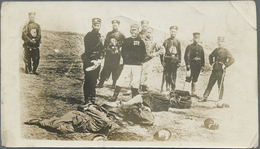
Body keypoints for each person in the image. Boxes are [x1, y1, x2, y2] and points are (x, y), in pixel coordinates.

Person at [110, 24, 146, 102]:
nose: (134, 31)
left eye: (135, 30)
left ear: (138, 31)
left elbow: (144, 53)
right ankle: (115, 96)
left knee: (135, 81)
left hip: (137, 65)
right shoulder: (126, 40)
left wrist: (140, 60)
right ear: (130, 30)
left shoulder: (141, 42)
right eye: (132, 29)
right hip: (127, 64)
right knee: (121, 78)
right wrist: (126, 60)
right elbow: (123, 51)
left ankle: (133, 98)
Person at [27, 104, 112, 135]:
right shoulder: (102, 118)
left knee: (64, 129)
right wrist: (90, 107)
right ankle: (39, 121)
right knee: (54, 124)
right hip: (76, 117)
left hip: (78, 124)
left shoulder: (103, 125)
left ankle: (45, 121)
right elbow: (86, 108)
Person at [199, 36, 235, 102]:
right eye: (219, 41)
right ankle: (205, 97)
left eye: (222, 42)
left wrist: (225, 65)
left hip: (221, 71)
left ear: (224, 42)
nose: (220, 43)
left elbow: (232, 59)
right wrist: (212, 63)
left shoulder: (226, 51)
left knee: (220, 85)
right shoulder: (216, 50)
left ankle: (220, 99)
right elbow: (210, 56)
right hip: (215, 69)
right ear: (217, 42)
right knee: (210, 83)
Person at [81, 18, 104, 104]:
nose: (96, 27)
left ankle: (92, 97)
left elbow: (101, 48)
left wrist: (101, 57)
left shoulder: (99, 35)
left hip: (97, 61)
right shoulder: (89, 35)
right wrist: (93, 60)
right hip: (89, 60)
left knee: (94, 80)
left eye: (98, 25)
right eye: (95, 25)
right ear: (92, 25)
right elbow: (88, 49)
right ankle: (86, 98)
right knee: (88, 79)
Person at [97, 20, 126, 89]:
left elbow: (125, 43)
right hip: (109, 54)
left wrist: (120, 48)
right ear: (112, 26)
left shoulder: (121, 34)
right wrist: (104, 51)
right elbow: (106, 43)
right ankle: (101, 82)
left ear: (118, 26)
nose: (114, 26)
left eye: (116, 25)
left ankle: (114, 84)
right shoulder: (109, 33)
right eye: (113, 25)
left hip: (116, 54)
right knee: (105, 67)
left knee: (115, 68)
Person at [140, 27, 165, 91]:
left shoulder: (155, 42)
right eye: (147, 32)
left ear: (152, 33)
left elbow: (162, 49)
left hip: (149, 60)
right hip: (140, 60)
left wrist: (155, 54)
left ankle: (145, 87)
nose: (148, 34)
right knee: (139, 75)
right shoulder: (141, 41)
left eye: (150, 32)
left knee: (147, 74)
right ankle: (138, 87)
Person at [161, 26, 181, 92]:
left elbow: (179, 52)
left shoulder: (178, 41)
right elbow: (162, 52)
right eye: (172, 31)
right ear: (170, 32)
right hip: (167, 61)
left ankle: (173, 88)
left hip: (175, 61)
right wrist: (162, 61)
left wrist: (179, 61)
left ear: (176, 32)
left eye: (174, 31)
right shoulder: (166, 41)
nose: (173, 33)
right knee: (167, 75)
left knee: (174, 75)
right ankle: (167, 87)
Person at [184, 32, 205, 96]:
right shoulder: (189, 47)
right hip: (191, 65)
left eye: (198, 38)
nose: (197, 39)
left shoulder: (201, 48)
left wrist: (203, 66)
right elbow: (186, 56)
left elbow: (202, 57)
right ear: (193, 38)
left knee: (195, 78)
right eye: (195, 38)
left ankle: (193, 92)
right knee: (188, 78)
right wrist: (187, 64)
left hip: (198, 65)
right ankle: (186, 92)